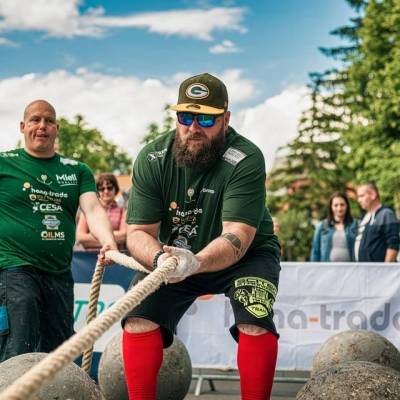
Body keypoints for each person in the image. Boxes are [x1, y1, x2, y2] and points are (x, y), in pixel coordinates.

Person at [123, 73, 281, 400]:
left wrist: (196, 262)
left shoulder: (246, 158)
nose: (194, 127)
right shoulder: (152, 158)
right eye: (186, 116)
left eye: (206, 119)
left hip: (246, 256)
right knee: (138, 317)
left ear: (226, 119)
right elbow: (137, 233)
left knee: (254, 319)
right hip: (174, 256)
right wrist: (159, 259)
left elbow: (238, 233)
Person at [0, 100, 117, 362]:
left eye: (49, 121)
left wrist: (108, 241)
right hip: (14, 267)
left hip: (59, 273)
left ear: (57, 128)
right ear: (22, 126)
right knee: (19, 346)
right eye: (35, 120)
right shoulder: (4, 164)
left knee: (59, 353)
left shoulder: (77, 171)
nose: (42, 126)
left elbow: (93, 209)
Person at [76, 173, 127, 250]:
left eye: (109, 188)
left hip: (115, 255)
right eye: (101, 189)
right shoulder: (88, 210)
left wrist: (93, 237)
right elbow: (81, 238)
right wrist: (113, 238)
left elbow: (123, 236)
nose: (106, 191)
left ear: (115, 189)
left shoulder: (123, 211)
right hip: (89, 256)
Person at [354, 183, 399, 262]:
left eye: (362, 196)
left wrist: (387, 267)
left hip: (379, 268)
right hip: (362, 267)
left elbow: (393, 243)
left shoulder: (386, 214)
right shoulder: (364, 217)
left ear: (373, 195)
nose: (359, 200)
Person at [310, 192, 357, 262]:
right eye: (336, 205)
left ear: (347, 206)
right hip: (327, 267)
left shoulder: (356, 224)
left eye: (342, 205)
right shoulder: (322, 226)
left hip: (350, 267)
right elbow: (315, 251)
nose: (339, 208)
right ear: (331, 207)